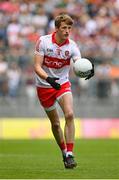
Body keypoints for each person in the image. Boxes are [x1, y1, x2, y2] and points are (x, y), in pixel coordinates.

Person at [34, 14, 94, 169]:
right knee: (55, 124)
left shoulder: (72, 46)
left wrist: (88, 70)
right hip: (44, 85)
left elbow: (78, 64)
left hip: (62, 84)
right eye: (64, 28)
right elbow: (37, 66)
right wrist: (48, 79)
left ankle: (70, 154)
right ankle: (63, 152)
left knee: (69, 114)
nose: (67, 31)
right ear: (57, 28)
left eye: (69, 28)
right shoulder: (43, 41)